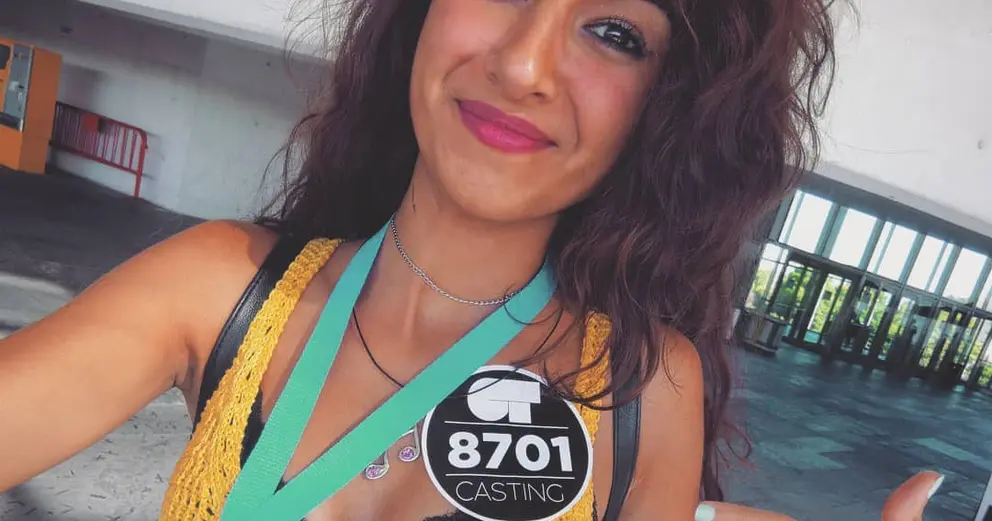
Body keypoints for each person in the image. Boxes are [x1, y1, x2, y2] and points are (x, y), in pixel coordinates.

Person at [0, 0, 941, 519]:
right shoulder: (217, 286)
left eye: (614, 32)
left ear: (668, 108)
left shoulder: (643, 389)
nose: (523, 64)